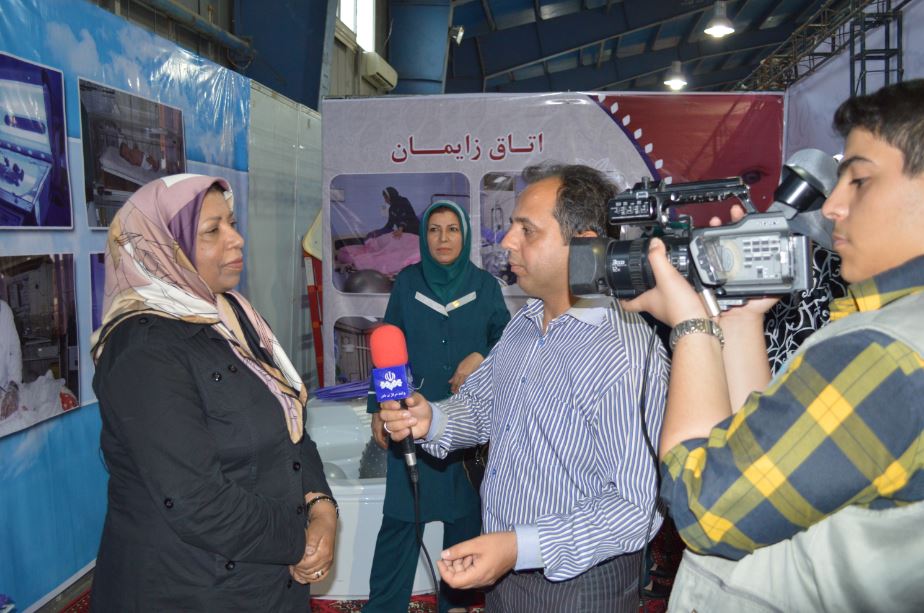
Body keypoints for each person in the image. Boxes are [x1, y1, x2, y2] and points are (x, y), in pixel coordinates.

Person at [622, 80, 924, 611]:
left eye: (858, 180)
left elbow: (702, 504)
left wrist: (692, 325)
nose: (832, 207)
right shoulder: (888, 327)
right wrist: (740, 319)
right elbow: (754, 449)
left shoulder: (884, 352)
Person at [380, 164, 669, 612]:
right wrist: (430, 418)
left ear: (584, 243)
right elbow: (480, 406)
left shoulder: (625, 354)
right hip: (506, 568)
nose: (507, 241)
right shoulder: (526, 323)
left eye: (527, 230)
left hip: (577, 587)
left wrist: (521, 547)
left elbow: (635, 507)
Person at [89, 174, 338, 611]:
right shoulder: (143, 349)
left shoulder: (234, 316)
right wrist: (299, 537)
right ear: (162, 247)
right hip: (192, 590)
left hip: (269, 581)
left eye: (232, 223)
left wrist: (321, 506)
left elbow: (290, 426)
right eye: (212, 230)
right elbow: (197, 502)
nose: (236, 239)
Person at [364, 200, 510, 613]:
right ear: (423, 235)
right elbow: (389, 348)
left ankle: (456, 605)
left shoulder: (485, 287)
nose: (443, 238)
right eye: (434, 229)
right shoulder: (408, 284)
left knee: (463, 526)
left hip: (468, 429)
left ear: (465, 236)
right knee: (400, 522)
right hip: (412, 419)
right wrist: (379, 407)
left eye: (452, 230)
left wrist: (481, 356)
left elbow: (508, 342)